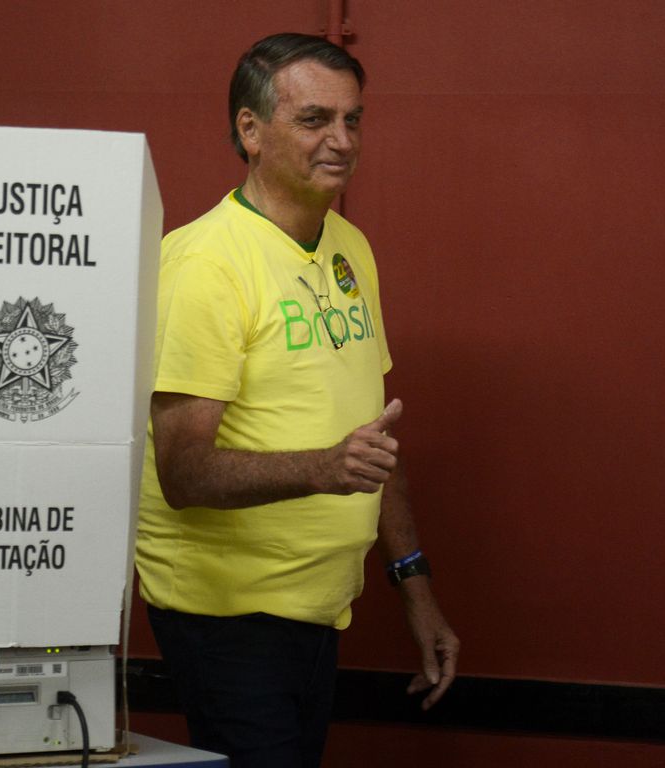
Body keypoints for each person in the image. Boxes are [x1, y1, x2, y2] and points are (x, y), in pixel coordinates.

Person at [135, 32, 459, 768]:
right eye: (315, 119)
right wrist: (324, 467)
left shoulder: (349, 246)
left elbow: (373, 439)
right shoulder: (204, 266)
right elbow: (183, 474)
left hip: (316, 608)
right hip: (227, 617)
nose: (342, 141)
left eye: (353, 120)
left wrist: (415, 586)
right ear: (250, 131)